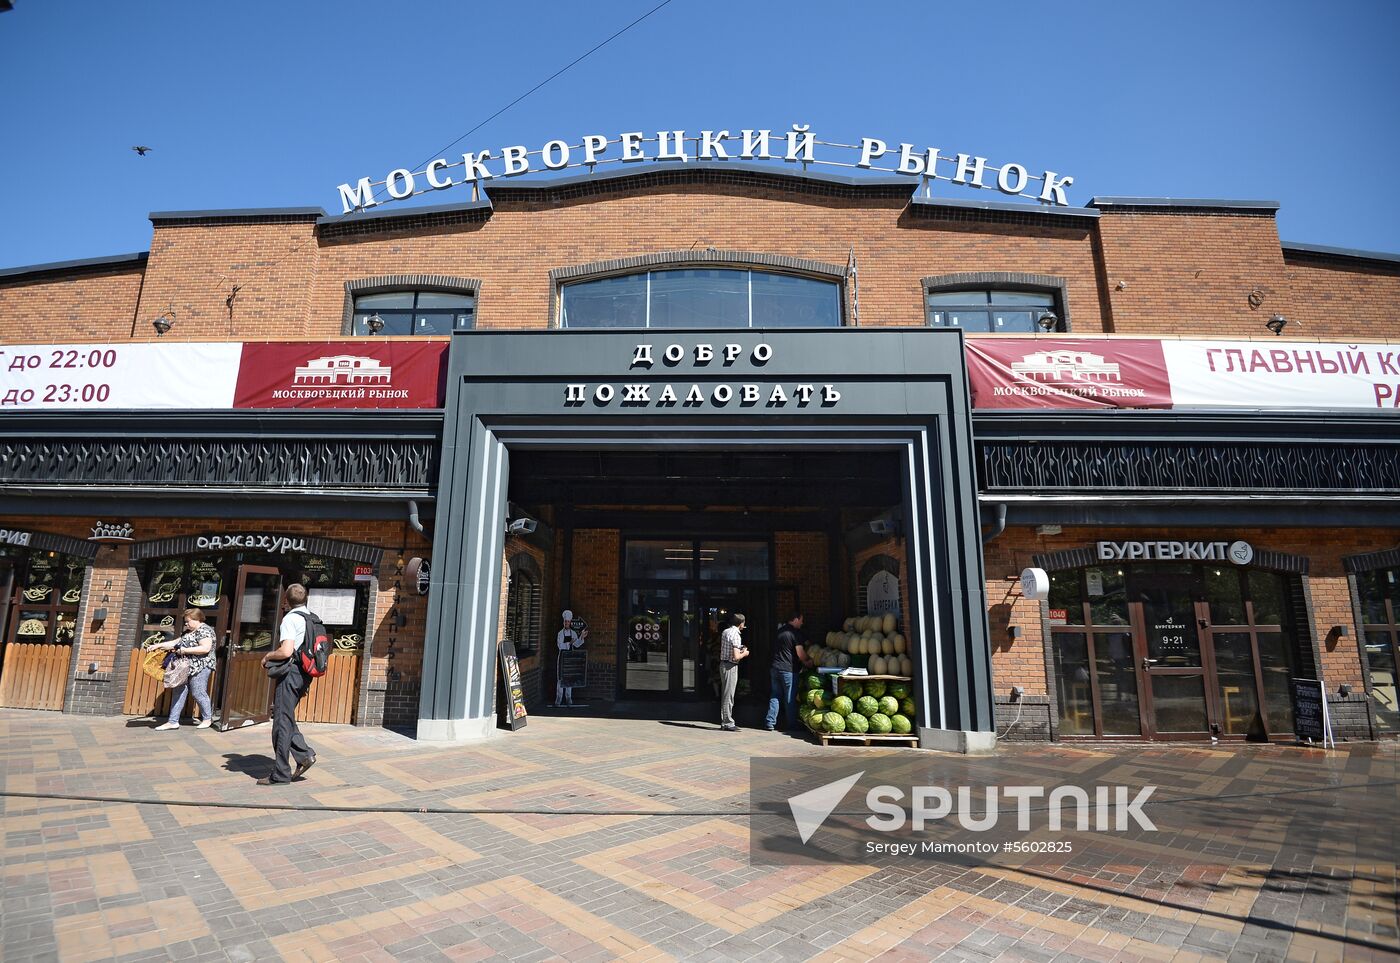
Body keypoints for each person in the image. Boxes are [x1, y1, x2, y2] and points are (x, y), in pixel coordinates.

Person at [257, 583, 317, 786]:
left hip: (290, 673)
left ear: (286, 600)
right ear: (305, 598)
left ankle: (281, 773)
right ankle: (304, 755)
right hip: (305, 674)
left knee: (281, 724)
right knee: (286, 716)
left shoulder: (291, 619)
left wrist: (268, 656)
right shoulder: (312, 617)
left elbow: (286, 651)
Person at [152, 608, 217, 731]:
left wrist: (184, 650)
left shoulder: (205, 630)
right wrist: (159, 645)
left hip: (201, 666)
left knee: (198, 692)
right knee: (179, 691)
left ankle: (207, 718)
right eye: (185, 621)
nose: (186, 624)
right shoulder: (188, 632)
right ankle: (173, 721)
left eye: (188, 621)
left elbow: (205, 648)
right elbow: (176, 642)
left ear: (197, 619)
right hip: (185, 666)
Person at [765, 612, 811, 732]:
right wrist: (808, 661)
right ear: (795, 619)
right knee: (789, 697)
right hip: (788, 670)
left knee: (775, 695)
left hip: (775, 667)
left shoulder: (779, 631)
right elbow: (800, 654)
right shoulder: (795, 634)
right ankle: (792, 725)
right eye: (801, 620)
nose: (802, 623)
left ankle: (770, 722)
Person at [718, 612, 748, 731]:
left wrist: (740, 649)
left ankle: (725, 720)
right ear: (741, 624)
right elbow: (736, 656)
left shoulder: (726, 631)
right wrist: (744, 653)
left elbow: (729, 649)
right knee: (728, 695)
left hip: (723, 664)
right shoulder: (736, 634)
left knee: (726, 693)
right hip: (730, 666)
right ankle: (728, 722)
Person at [555, 609, 587, 707]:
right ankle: (558, 699)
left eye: (568, 622)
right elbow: (560, 645)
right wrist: (569, 643)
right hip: (562, 657)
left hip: (570, 658)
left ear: (570, 622)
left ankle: (569, 698)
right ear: (563, 622)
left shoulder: (573, 633)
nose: (567, 623)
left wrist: (582, 637)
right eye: (565, 622)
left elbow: (577, 644)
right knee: (560, 679)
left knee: (570, 678)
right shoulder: (560, 634)